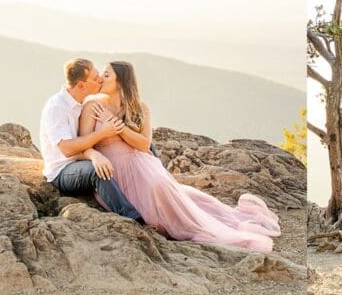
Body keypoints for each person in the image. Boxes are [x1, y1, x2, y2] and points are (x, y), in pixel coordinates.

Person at [79, 61, 281, 253]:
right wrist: (94, 154)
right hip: (111, 167)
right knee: (155, 202)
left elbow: (143, 144)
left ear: (121, 81)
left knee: (159, 185)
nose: (100, 78)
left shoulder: (140, 108)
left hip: (140, 162)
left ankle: (191, 225)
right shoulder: (92, 106)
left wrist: (116, 125)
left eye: (107, 75)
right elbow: (83, 142)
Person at [39, 58, 143, 221]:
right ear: (81, 85)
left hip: (81, 159)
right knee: (96, 171)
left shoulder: (83, 102)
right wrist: (101, 137)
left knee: (144, 149)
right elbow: (67, 149)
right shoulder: (57, 107)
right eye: (95, 78)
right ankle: (132, 217)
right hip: (63, 170)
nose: (101, 79)